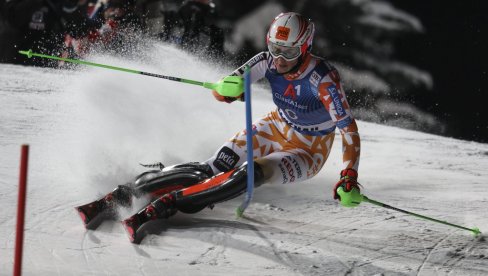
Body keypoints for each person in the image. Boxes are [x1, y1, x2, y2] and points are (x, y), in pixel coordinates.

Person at [76, 12, 362, 242]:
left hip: (308, 150)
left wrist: (349, 175)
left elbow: (349, 131)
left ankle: (168, 204)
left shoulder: (323, 79)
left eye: (288, 52)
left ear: (305, 48)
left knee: (247, 175)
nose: (279, 59)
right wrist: (228, 89)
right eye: (275, 48)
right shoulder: (266, 61)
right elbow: (222, 91)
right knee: (211, 168)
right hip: (276, 126)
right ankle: (121, 194)